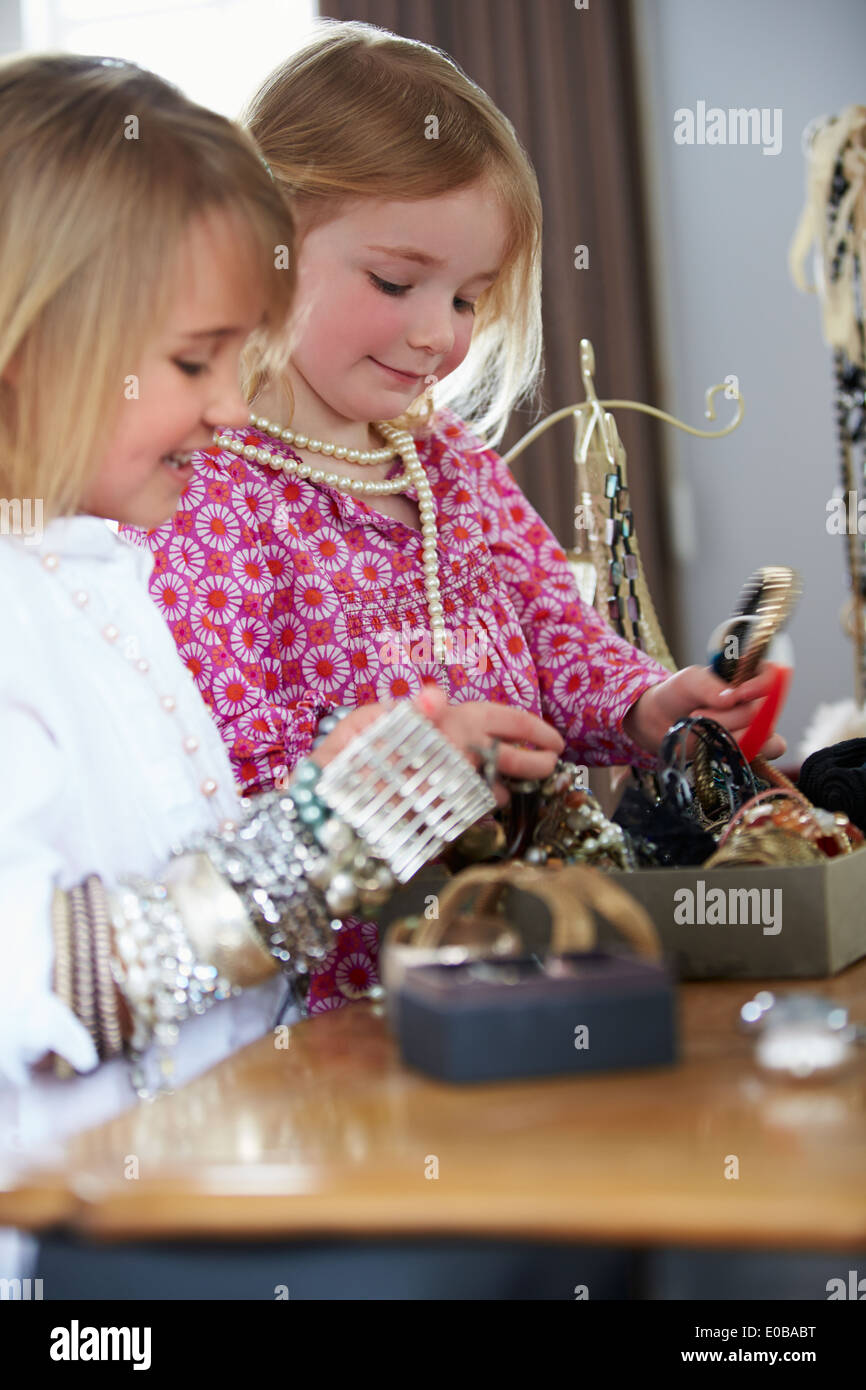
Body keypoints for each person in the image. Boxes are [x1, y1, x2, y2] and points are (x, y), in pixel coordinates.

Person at [0, 52, 562, 1282]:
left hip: (228, 1172)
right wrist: (336, 825)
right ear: (28, 345)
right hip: (87, 1258)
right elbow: (56, 988)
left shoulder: (103, 570)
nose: (227, 406)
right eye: (197, 362)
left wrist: (371, 782)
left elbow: (202, 884)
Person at [122, 20, 784, 1013]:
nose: (437, 334)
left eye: (470, 298)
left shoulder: (452, 467)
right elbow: (226, 777)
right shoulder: (211, 498)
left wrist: (648, 706)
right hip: (329, 1019)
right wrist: (411, 773)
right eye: (395, 282)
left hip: (520, 967)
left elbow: (561, 644)